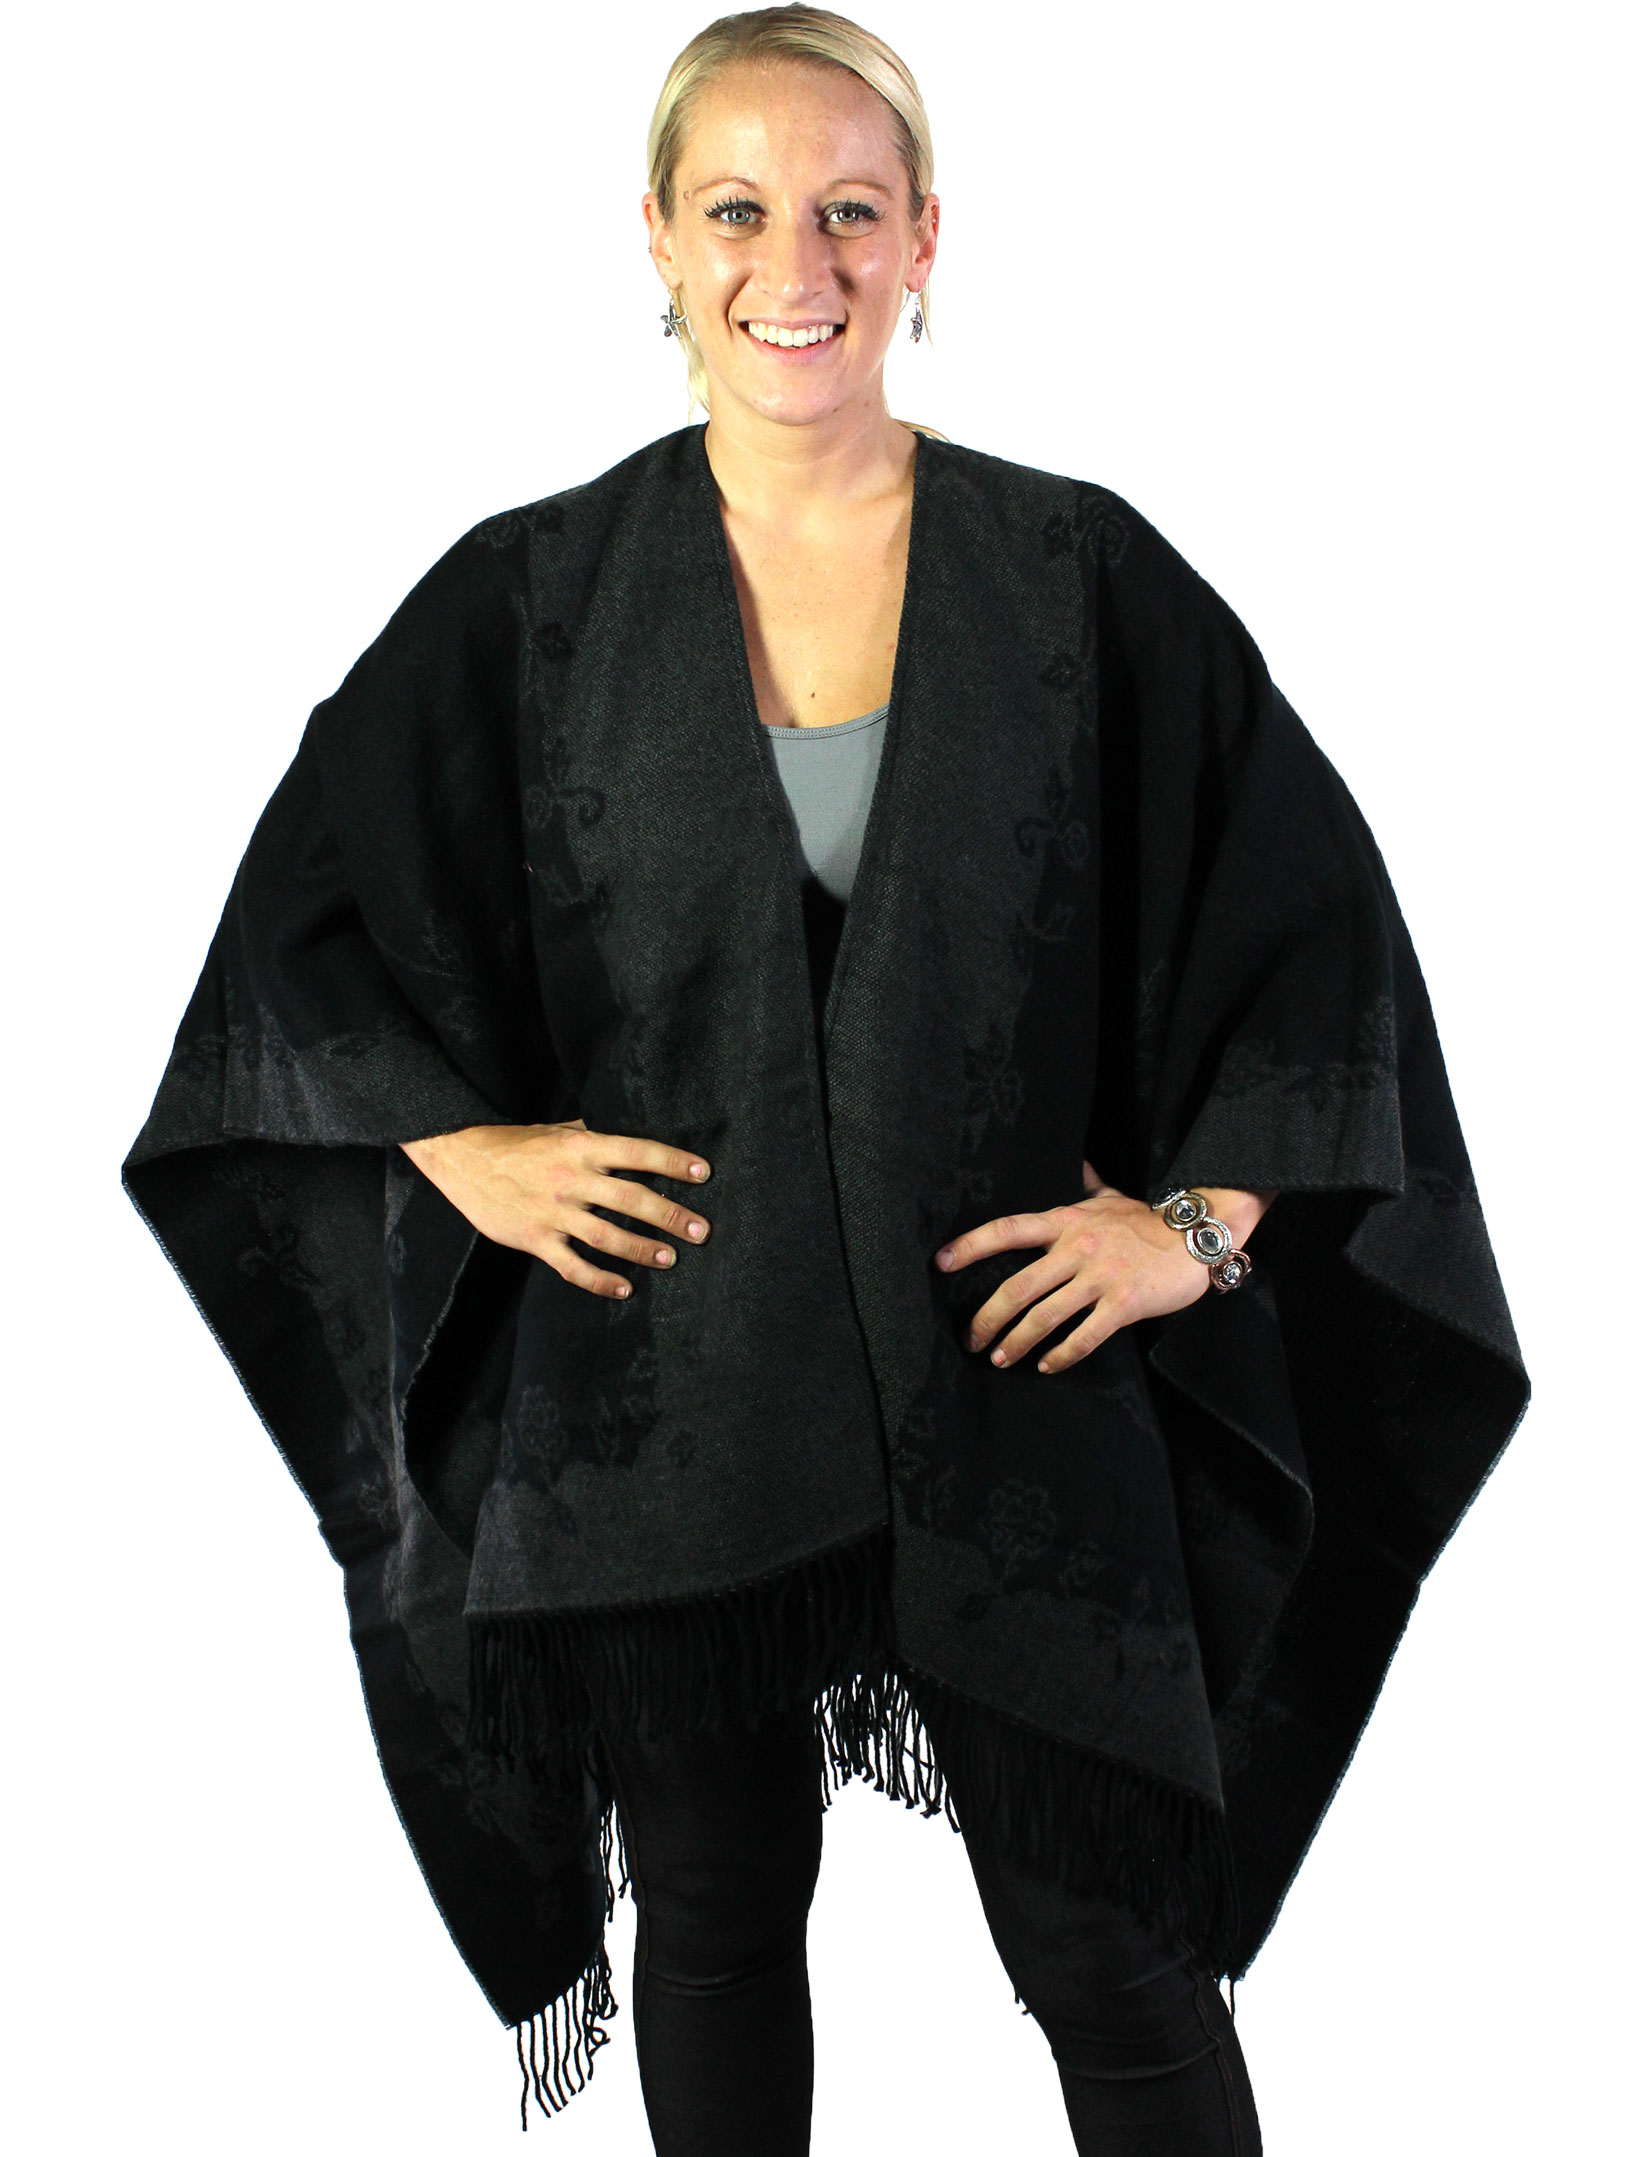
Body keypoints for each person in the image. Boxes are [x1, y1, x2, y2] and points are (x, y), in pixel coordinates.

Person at [123, 10, 1530, 2155]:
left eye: (851, 210)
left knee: (1107, 1949)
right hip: (668, 1380)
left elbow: (1311, 929)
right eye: (741, 210)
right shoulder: (535, 598)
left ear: (926, 238)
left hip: (1017, 1374)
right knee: (709, 1914)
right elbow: (305, 920)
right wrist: (465, 1150)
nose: (799, 264)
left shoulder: (1075, 579)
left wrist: (1197, 1228)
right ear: (660, 242)